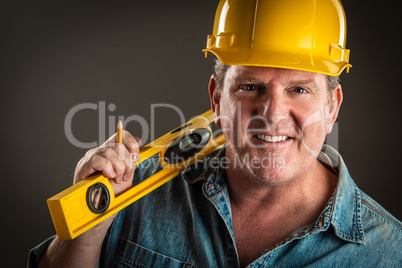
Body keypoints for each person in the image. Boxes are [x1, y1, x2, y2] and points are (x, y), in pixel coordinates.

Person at [28, 0, 401, 267]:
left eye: (299, 90)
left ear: (332, 105)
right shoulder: (130, 191)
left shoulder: (388, 252)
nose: (271, 114)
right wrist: (88, 229)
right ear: (216, 99)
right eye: (250, 86)